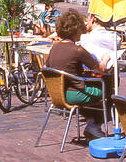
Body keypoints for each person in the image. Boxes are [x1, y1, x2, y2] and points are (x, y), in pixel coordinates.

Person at [45, 9, 109, 139]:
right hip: (74, 95)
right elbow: (100, 70)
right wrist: (105, 58)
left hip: (58, 94)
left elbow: (50, 68)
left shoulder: (54, 48)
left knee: (92, 88)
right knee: (106, 89)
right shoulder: (78, 50)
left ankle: (91, 124)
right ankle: (93, 125)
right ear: (76, 30)